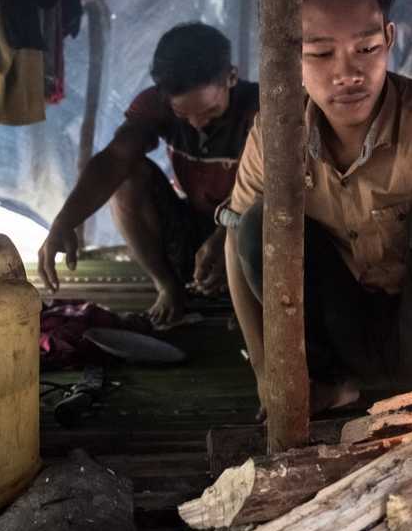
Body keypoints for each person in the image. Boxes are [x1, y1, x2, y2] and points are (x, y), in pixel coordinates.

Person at [220, 0, 412, 409]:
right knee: (257, 225)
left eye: (366, 49)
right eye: (321, 53)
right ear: (291, 55)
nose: (347, 73)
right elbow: (234, 245)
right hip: (343, 336)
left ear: (389, 39)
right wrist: (267, 371)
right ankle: (332, 387)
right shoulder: (276, 134)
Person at [38, 23, 256, 327]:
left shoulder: (262, 110)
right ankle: (168, 286)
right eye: (184, 115)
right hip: (192, 229)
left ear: (231, 77)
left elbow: (271, 192)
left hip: (252, 233)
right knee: (127, 176)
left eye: (209, 111)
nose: (196, 124)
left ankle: (248, 295)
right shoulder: (156, 104)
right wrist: (65, 221)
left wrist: (228, 236)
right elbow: (115, 159)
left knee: (266, 219)